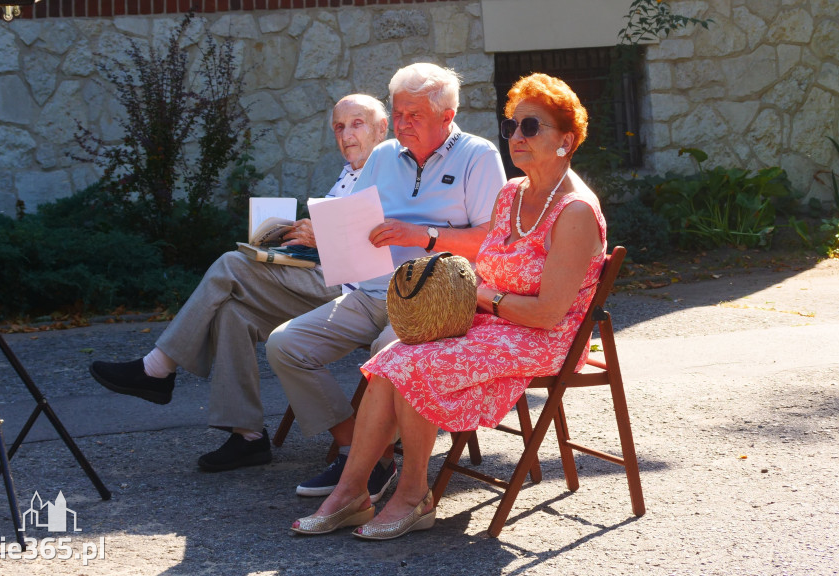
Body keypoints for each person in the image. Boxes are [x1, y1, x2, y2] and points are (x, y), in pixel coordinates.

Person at [290, 72, 607, 540]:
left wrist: (479, 296)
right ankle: (352, 491)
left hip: (543, 339)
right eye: (512, 127)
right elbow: (486, 267)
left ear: (567, 139)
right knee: (392, 358)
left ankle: (414, 494)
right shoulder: (512, 194)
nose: (516, 138)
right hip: (491, 323)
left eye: (531, 128)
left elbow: (547, 315)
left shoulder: (575, 211)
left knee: (417, 366)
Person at [88, 94, 390, 476]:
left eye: (357, 124)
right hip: (323, 279)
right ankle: (248, 435)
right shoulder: (348, 172)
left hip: (357, 295)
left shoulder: (388, 168)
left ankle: (157, 368)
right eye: (338, 127)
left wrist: (323, 237)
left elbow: (381, 243)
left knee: (231, 265)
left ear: (382, 127)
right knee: (233, 311)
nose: (346, 134)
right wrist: (294, 238)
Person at [265, 63, 506, 500]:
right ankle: (356, 448)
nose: (401, 124)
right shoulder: (381, 156)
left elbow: (493, 241)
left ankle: (369, 462)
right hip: (373, 289)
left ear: (447, 117)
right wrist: (330, 236)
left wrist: (423, 235)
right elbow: (356, 226)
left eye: (414, 115)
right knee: (286, 345)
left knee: (386, 353)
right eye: (397, 114)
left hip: (438, 299)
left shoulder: (479, 155)